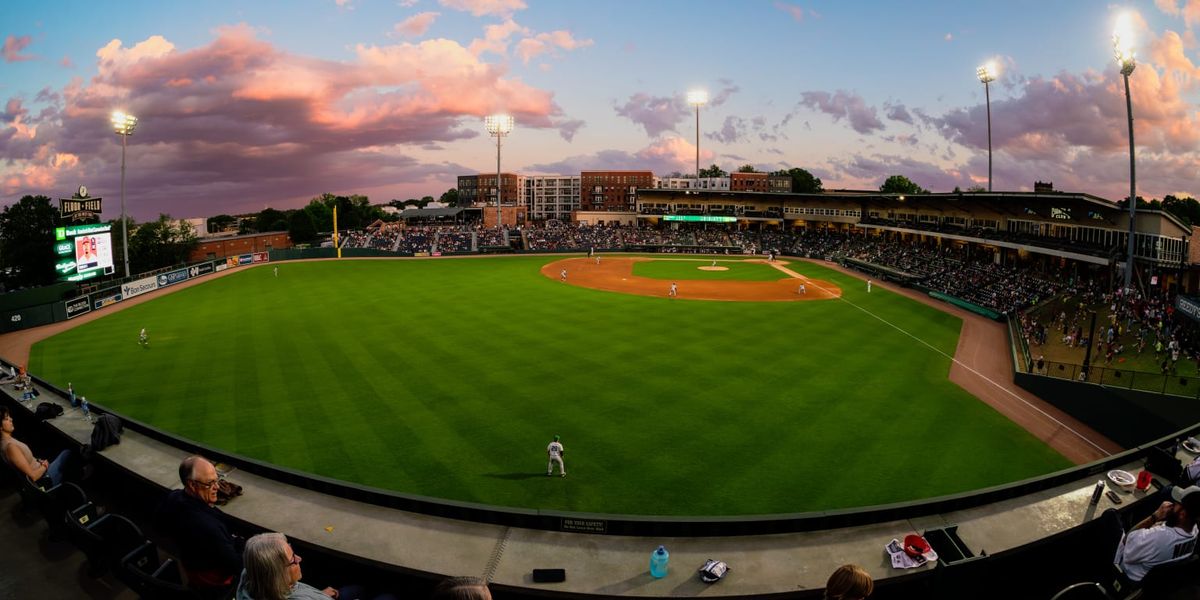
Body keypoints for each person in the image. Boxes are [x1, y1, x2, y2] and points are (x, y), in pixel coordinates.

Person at [155, 455, 244, 596]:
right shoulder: (206, 526)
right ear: (191, 485)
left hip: (194, 572)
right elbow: (238, 566)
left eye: (217, 480)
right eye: (209, 483)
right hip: (218, 587)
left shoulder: (174, 497)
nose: (217, 487)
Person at [237, 532, 396, 600]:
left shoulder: (251, 576)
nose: (299, 559)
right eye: (293, 560)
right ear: (278, 574)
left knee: (358, 588)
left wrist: (321, 594)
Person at [1114, 485, 1200, 584]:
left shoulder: (1159, 537)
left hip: (1127, 575)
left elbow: (1126, 540)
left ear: (1182, 514)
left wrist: (1155, 516)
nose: (1172, 504)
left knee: (1111, 516)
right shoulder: (1195, 531)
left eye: (1176, 503)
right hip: (1152, 579)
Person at [1, 406, 72, 486]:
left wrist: (38, 461)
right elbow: (33, 477)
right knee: (68, 452)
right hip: (44, 479)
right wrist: (45, 465)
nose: (11, 419)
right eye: (6, 419)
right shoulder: (11, 447)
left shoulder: (4, 442)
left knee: (55, 449)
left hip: (40, 471)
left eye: (9, 416)